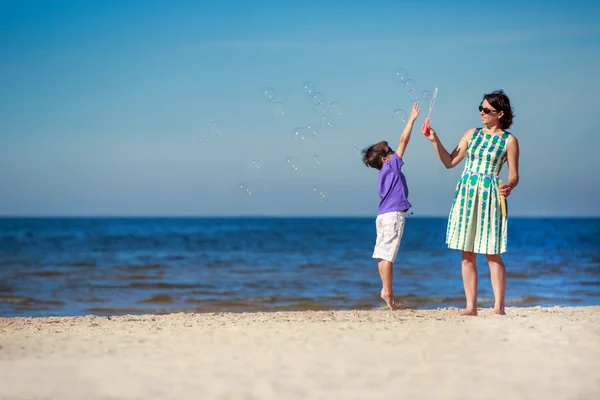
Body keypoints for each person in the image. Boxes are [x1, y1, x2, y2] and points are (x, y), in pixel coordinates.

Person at [422, 90, 520, 316]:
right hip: (466, 194)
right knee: (467, 254)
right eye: (481, 108)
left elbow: (514, 174)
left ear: (500, 113)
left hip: (490, 196)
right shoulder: (471, 134)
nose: (482, 113)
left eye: (487, 110)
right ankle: (471, 307)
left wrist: (510, 186)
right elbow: (450, 161)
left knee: (492, 252)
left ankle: (498, 307)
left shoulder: (509, 141)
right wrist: (434, 140)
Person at [361, 103, 420, 310]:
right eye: (391, 151)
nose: (396, 152)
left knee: (382, 254)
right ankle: (387, 291)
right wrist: (412, 119)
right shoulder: (391, 166)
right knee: (387, 255)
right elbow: (404, 140)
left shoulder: (382, 174)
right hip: (393, 217)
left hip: (383, 216)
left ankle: (387, 291)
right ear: (385, 159)